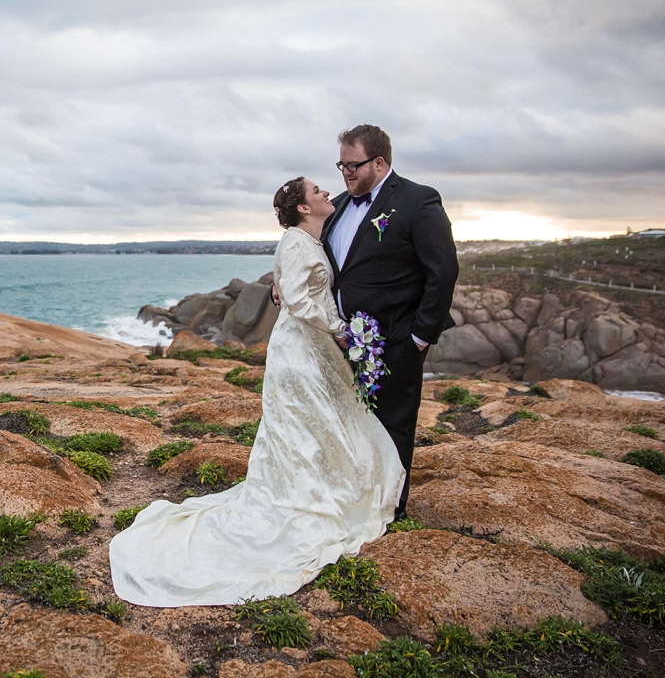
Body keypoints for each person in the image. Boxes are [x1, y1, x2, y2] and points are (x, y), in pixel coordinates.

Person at [109, 177, 406, 607]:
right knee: (301, 424)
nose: (326, 192)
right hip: (301, 350)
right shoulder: (297, 243)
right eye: (318, 191)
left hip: (309, 348)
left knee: (313, 423)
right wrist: (344, 331)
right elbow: (302, 302)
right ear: (304, 208)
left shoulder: (305, 238)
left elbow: (291, 289)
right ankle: (306, 497)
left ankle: (323, 484)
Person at [321, 124, 458, 519]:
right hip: (343, 339)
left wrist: (419, 336)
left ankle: (387, 511)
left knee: (392, 425)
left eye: (354, 165)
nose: (345, 174)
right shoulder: (340, 205)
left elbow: (443, 271)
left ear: (379, 162)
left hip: (394, 339)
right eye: (341, 165)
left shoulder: (418, 201)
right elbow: (325, 264)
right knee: (349, 424)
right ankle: (351, 499)